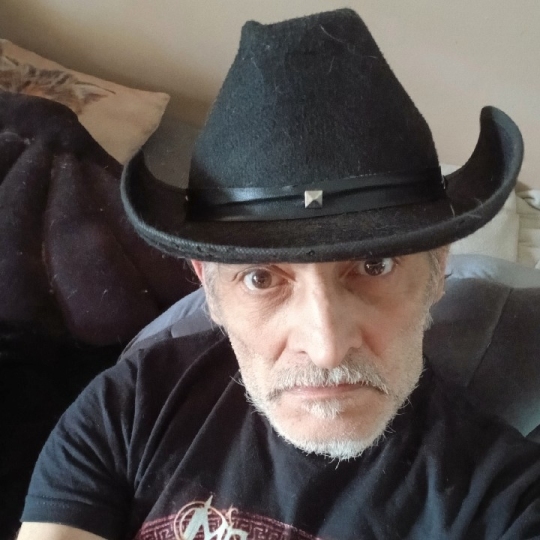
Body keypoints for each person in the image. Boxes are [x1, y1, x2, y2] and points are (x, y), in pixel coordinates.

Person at [18, 8, 540, 540]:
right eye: (261, 279)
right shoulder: (130, 405)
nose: (326, 349)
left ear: (439, 267)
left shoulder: (505, 497)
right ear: (208, 286)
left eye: (375, 266)